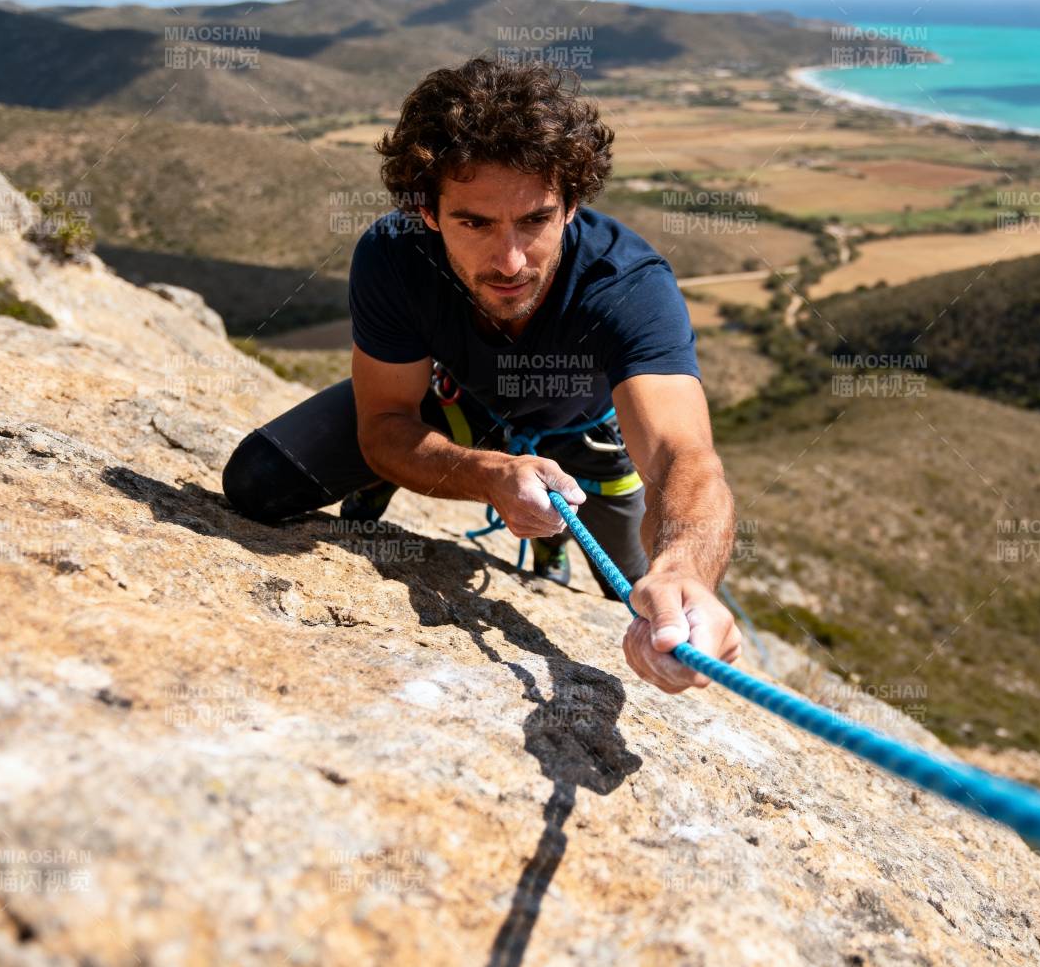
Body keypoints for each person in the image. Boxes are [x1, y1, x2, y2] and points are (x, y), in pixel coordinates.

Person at [222, 55, 741, 694]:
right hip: (454, 407)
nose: (510, 260)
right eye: (474, 222)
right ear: (429, 213)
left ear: (572, 206)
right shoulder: (394, 257)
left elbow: (682, 455)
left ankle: (579, 554)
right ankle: (409, 489)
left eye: (535, 220)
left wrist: (686, 570)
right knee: (257, 482)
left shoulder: (627, 286)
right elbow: (384, 422)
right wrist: (487, 475)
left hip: (586, 443)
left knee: (642, 598)